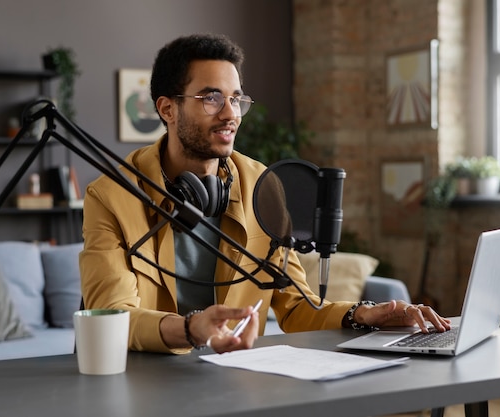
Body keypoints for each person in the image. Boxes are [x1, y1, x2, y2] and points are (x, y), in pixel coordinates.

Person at [79, 33, 451, 355]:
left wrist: (362, 314)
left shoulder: (261, 184)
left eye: (236, 99)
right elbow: (113, 318)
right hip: (143, 379)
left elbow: (294, 307)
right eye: (211, 98)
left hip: (232, 374)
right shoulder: (110, 195)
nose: (231, 114)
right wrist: (192, 329)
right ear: (167, 108)